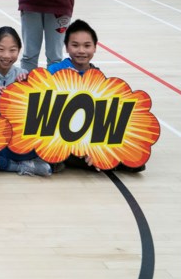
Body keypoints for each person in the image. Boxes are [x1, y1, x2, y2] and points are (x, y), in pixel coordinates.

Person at [47, 20, 145, 173]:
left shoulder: (98, 75)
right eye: (75, 45)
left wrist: (96, 146)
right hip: (64, 133)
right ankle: (88, 159)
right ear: (66, 47)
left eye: (87, 46)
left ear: (95, 47)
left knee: (135, 157)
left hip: (88, 132)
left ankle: (98, 158)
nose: (81, 51)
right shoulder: (54, 71)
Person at [0, 27, 51, 177]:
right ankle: (20, 166)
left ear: (19, 50)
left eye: (12, 50)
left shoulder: (21, 75)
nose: (6, 56)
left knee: (46, 140)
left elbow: (34, 117)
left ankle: (27, 159)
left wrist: (24, 91)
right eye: (1, 49)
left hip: (16, 137)